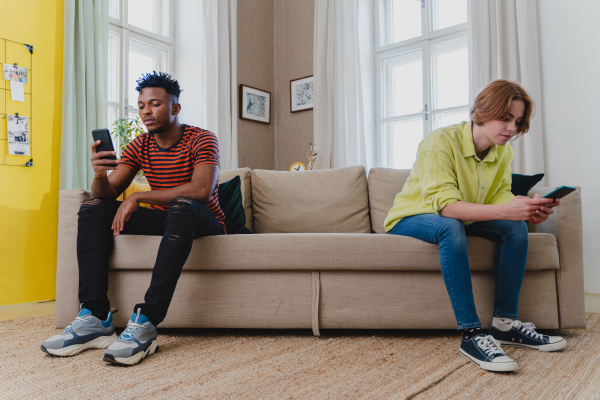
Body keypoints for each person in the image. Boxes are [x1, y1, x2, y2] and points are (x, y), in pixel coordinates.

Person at [41, 71, 226, 366]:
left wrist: (137, 197)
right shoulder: (140, 145)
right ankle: (95, 318)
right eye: (141, 105)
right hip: (168, 221)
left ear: (175, 108)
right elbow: (106, 195)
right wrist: (100, 174)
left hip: (205, 223)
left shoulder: (202, 138)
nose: (146, 112)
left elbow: (201, 190)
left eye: (155, 104)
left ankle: (147, 322)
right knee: (92, 208)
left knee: (182, 206)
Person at [384, 79, 566, 373]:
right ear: (482, 111)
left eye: (517, 121)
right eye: (506, 118)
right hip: (412, 217)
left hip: (460, 215)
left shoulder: (502, 151)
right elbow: (447, 207)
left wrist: (526, 209)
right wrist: (506, 209)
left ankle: (504, 325)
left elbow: (498, 195)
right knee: (450, 226)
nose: (512, 128)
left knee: (514, 228)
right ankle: (471, 334)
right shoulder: (439, 142)